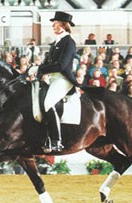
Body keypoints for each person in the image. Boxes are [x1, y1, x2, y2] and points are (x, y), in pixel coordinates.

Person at [34, 11, 78, 153]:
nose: (53, 25)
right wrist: (37, 71)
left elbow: (61, 65)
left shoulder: (69, 42)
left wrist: (40, 68)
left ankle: (56, 141)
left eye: (56, 22)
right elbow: (48, 62)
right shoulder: (55, 43)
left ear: (63, 25)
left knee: (48, 103)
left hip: (63, 79)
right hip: (51, 78)